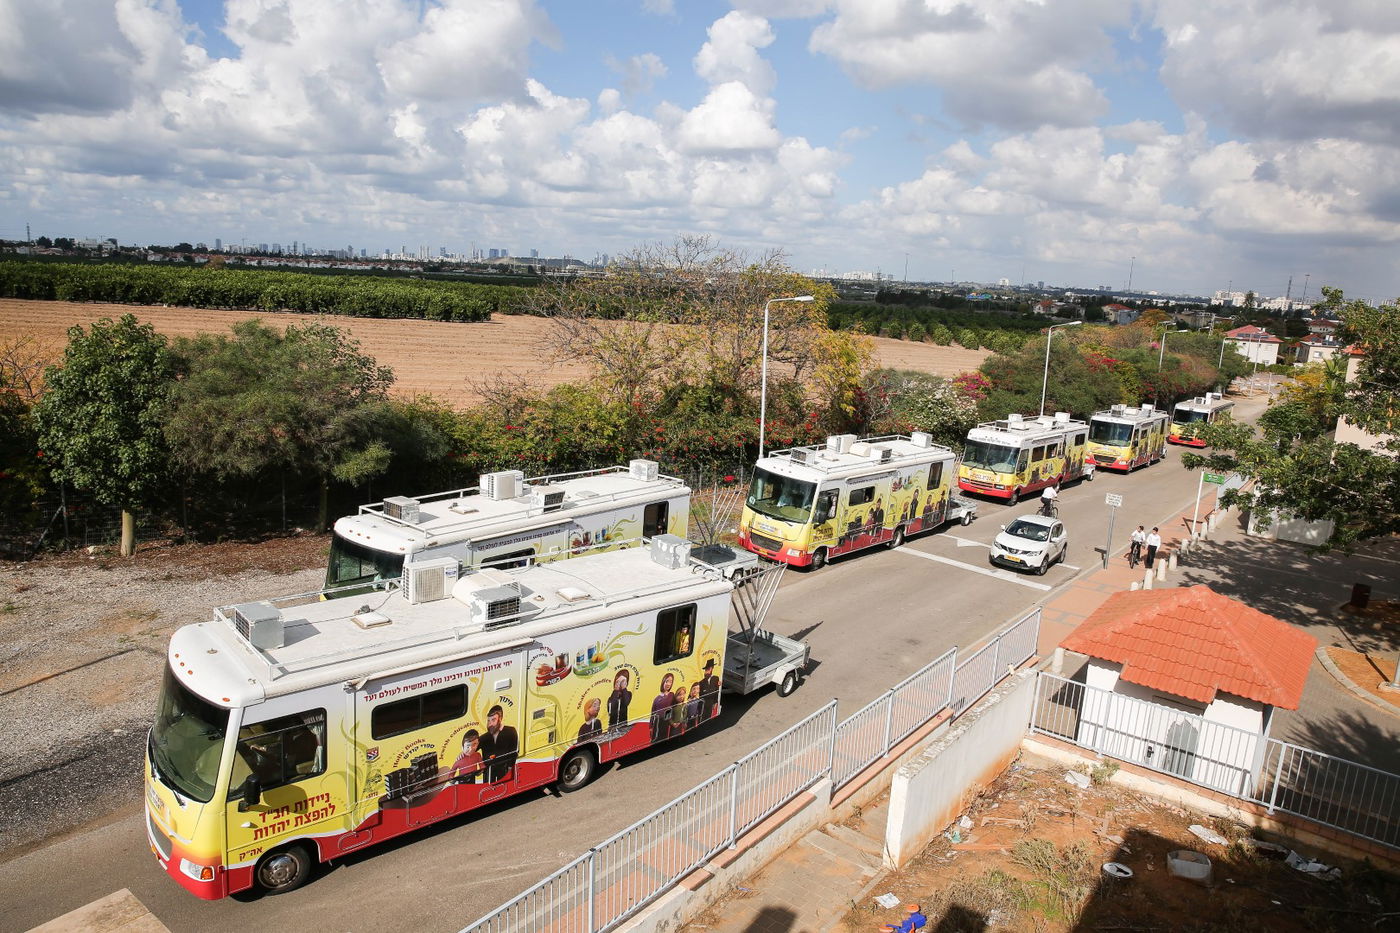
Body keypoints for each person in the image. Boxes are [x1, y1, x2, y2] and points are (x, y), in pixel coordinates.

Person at [477, 705, 518, 783]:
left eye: (493, 720)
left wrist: (510, 767)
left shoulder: (510, 731)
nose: (490, 724)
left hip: (504, 769)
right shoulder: (484, 737)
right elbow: (472, 751)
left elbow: (514, 751)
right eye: (488, 720)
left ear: (500, 719)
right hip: (488, 771)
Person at [649, 673, 675, 743]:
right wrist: (650, 727)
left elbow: (674, 707)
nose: (668, 684)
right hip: (658, 722)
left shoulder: (672, 695)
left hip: (667, 721)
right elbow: (652, 714)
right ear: (663, 682)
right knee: (656, 739)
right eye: (667, 681)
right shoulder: (656, 699)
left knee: (665, 739)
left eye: (671, 682)